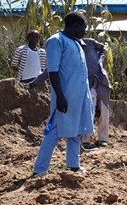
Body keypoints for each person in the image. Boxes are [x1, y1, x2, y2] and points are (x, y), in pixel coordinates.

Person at [32, 12, 94, 176]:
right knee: (55, 132)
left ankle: (73, 165)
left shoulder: (76, 43)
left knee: (76, 130)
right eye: (83, 28)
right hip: (65, 96)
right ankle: (40, 170)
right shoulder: (56, 41)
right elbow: (53, 70)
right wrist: (60, 95)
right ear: (75, 25)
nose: (84, 31)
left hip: (78, 97)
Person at [81, 36, 111, 148]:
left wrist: (100, 59)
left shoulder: (89, 42)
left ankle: (103, 138)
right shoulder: (72, 44)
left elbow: (104, 47)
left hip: (101, 79)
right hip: (86, 81)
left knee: (104, 110)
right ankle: (85, 139)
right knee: (89, 110)